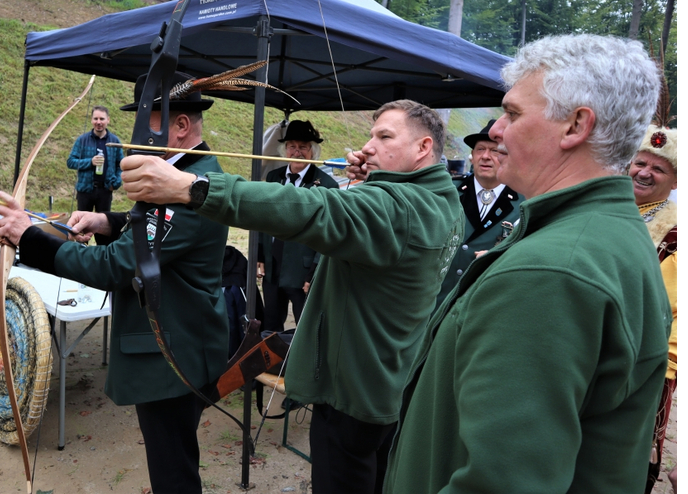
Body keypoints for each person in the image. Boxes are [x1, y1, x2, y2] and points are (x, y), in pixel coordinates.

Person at [119, 99, 463, 494]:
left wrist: (192, 188)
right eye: (371, 134)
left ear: (422, 148)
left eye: (385, 136)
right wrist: (381, 180)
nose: (367, 146)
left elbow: (311, 209)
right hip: (388, 388)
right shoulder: (444, 200)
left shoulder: (397, 210)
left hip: (350, 396)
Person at [381, 34, 672, 494]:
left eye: (513, 113)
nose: (496, 131)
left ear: (575, 125)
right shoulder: (609, 235)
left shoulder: (550, 272)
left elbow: (503, 482)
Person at [0, 73, 228, 494]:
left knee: (173, 474)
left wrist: (29, 237)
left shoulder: (193, 188)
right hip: (175, 347)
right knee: (172, 465)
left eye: (146, 124)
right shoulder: (183, 177)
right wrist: (106, 220)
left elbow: (118, 266)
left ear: (179, 126)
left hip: (175, 356)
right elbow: (150, 228)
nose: (135, 138)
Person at [257, 120, 339, 332]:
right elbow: (262, 217)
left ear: (313, 151)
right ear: (285, 149)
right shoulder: (274, 177)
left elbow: (327, 232)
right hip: (273, 265)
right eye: (292, 146)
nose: (297, 152)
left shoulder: (327, 185)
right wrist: (260, 255)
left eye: (303, 147)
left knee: (305, 327)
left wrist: (314, 272)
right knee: (271, 324)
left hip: (302, 270)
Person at [631, 126, 678, 494]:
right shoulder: (605, 206)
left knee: (628, 452)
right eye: (640, 162)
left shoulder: (678, 233)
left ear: (676, 179)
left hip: (645, 362)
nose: (644, 172)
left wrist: (663, 370)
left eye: (658, 169)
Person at [434, 119, 523, 308]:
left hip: (482, 306)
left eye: (495, 150)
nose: (485, 156)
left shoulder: (524, 202)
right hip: (435, 303)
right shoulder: (446, 191)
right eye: (480, 149)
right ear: (472, 157)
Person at [67, 105, 124, 213]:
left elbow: (121, 165)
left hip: (105, 191)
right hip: (85, 190)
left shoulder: (114, 141)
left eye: (102, 119)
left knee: (102, 227)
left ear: (108, 120)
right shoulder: (82, 140)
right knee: (83, 226)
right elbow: (70, 162)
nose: (98, 122)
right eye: (95, 119)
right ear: (91, 120)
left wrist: (116, 183)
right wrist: (90, 162)